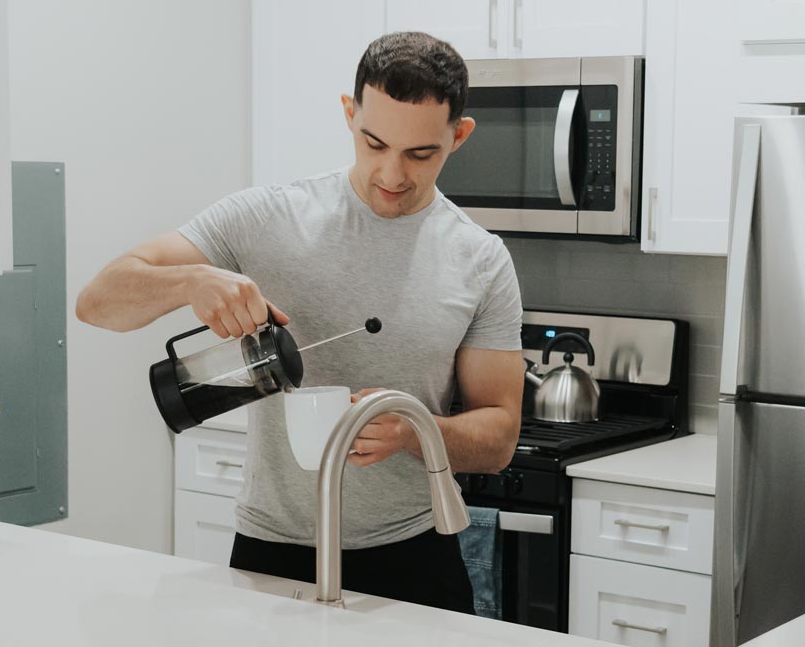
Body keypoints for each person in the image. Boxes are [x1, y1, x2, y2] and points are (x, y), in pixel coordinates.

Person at [75, 32, 524, 611]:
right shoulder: (266, 217)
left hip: (414, 558)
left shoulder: (480, 259)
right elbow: (97, 302)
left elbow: (500, 437)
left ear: (457, 137)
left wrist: (416, 431)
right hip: (272, 551)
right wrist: (190, 281)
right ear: (348, 113)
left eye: (420, 154)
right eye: (374, 142)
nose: (391, 174)